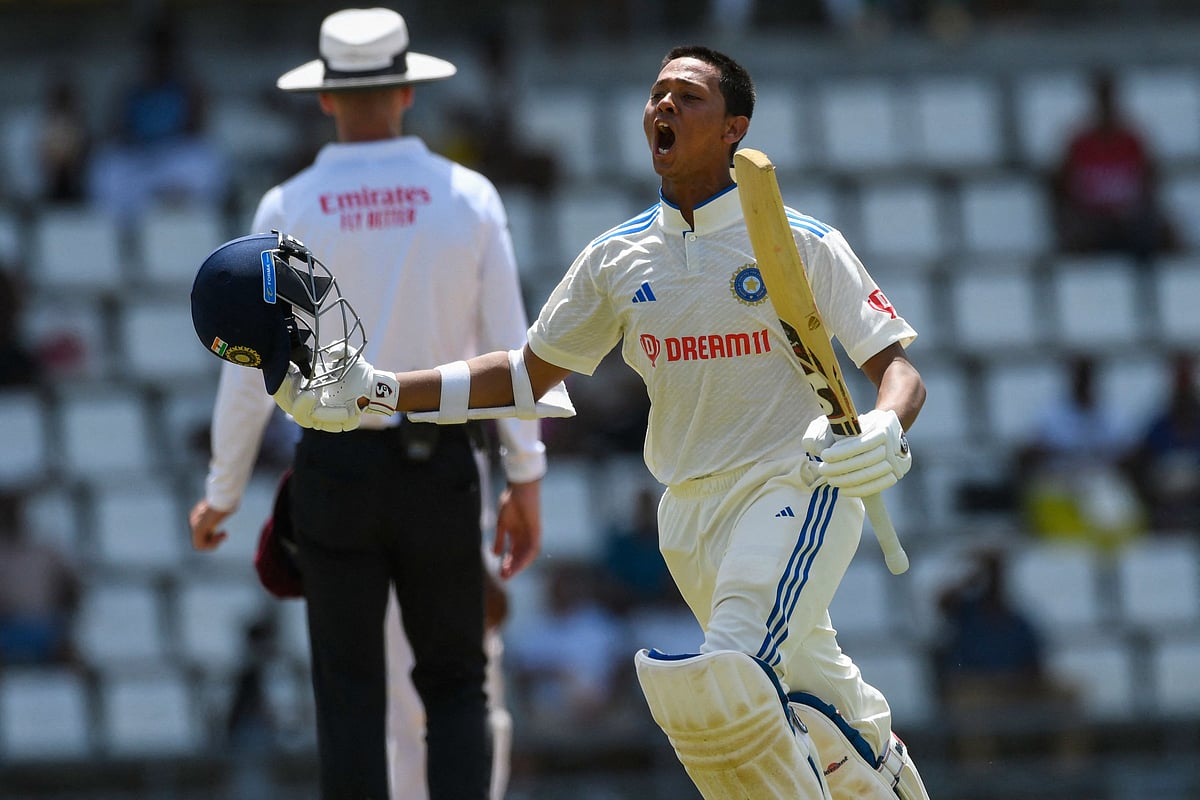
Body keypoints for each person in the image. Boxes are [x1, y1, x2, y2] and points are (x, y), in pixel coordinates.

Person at [258, 44, 931, 800]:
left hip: (796, 484)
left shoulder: (801, 240)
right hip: (689, 515)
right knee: (817, 691)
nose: (665, 106)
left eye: (688, 96)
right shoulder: (617, 258)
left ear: (734, 128)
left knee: (728, 682)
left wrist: (885, 425)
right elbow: (522, 377)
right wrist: (379, 389)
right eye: (658, 94)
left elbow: (897, 370)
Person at [187, 8, 548, 800]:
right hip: (442, 464)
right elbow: (514, 351)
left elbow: (247, 367)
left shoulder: (289, 205)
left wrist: (222, 492)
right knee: (457, 683)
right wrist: (525, 477)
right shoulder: (469, 196)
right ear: (408, 90)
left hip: (335, 468)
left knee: (348, 695)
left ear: (324, 97)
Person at [933, 546, 1085, 767]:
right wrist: (973, 577)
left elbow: (1037, 662)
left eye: (999, 577)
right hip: (979, 687)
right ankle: (979, 773)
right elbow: (941, 602)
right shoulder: (965, 612)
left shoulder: (1019, 618)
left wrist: (1023, 680)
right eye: (991, 576)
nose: (995, 583)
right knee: (968, 703)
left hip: (1018, 686)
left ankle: (1070, 770)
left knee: (1069, 692)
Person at [1015, 353, 1144, 549]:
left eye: (1087, 376)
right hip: (1061, 484)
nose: (1083, 382)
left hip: (1101, 484)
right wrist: (1044, 452)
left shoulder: (1112, 416)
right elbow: (1027, 452)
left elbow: (1131, 452)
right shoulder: (1050, 416)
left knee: (1120, 527)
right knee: (1068, 542)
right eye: (1078, 376)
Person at [1049, 68, 1179, 262]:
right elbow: (1062, 190)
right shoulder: (1078, 144)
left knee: (1164, 234)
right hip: (1093, 225)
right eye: (1101, 99)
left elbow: (1149, 186)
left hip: (1130, 223)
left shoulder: (1133, 141)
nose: (1106, 106)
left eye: (1109, 98)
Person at [0, 489, 81, 666]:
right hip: (5, 628)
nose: (10, 518)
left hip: (43, 628)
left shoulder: (45, 551)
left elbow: (72, 587)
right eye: (5, 512)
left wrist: (62, 619)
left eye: (13, 512)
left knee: (75, 660)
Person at [1126, 351, 1200, 535]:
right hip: (1163, 498)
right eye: (1179, 382)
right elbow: (1140, 459)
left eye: (1186, 381)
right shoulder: (1159, 424)